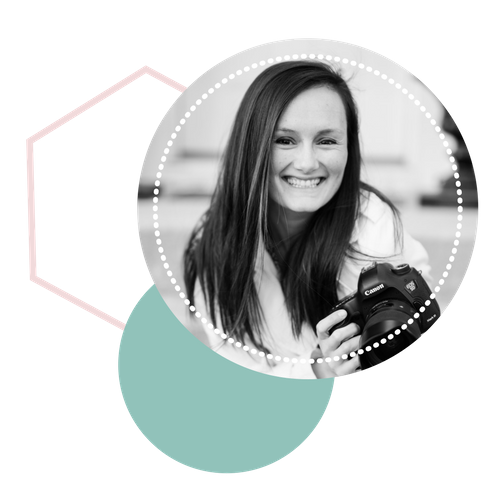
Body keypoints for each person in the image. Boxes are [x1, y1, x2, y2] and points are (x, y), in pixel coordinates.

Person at [183, 60, 431, 379]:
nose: (306, 163)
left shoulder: (375, 229)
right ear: (252, 146)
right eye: (284, 140)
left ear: (349, 148)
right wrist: (318, 369)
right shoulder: (217, 246)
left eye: (326, 141)